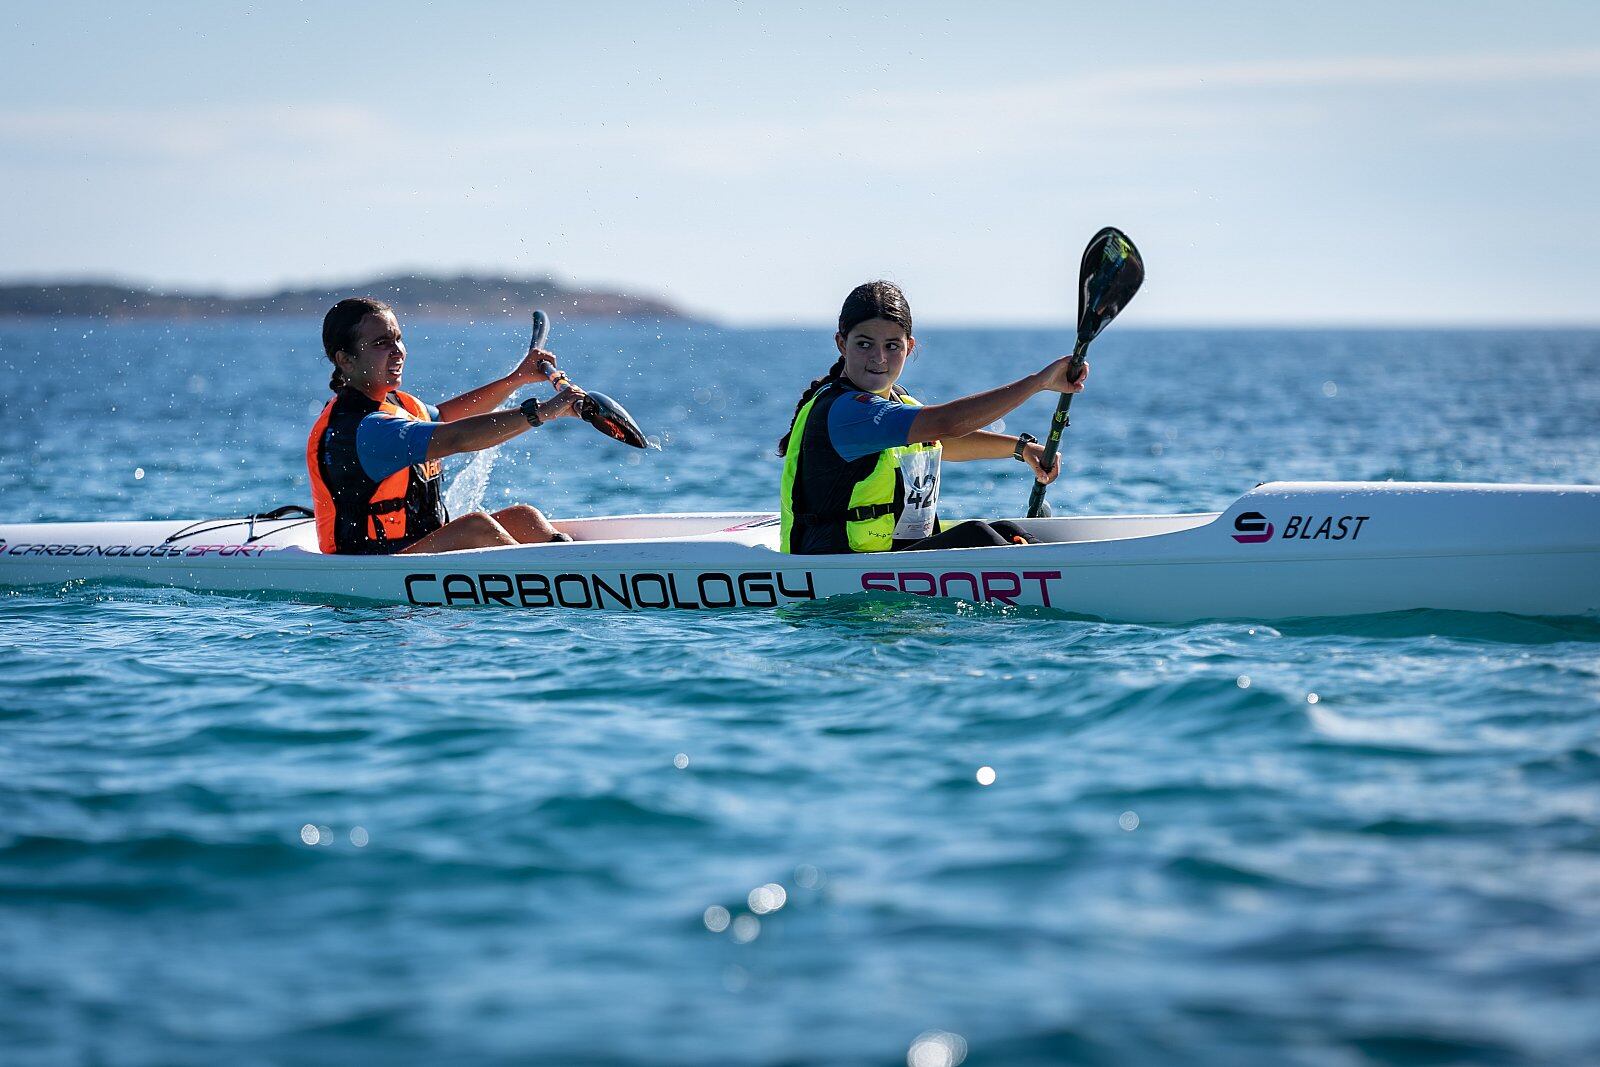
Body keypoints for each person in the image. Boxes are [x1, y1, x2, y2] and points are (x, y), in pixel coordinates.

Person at [778, 280, 1087, 555]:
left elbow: (942, 442)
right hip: (836, 571)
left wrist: (1019, 449)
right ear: (842, 344)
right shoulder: (847, 411)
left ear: (909, 347)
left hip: (891, 561)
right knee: (977, 535)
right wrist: (1038, 383)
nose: (879, 358)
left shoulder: (898, 400)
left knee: (1007, 531)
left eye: (892, 345)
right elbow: (946, 423)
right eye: (864, 344)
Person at [307, 297, 585, 554]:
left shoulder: (398, 404)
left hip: (414, 547)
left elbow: (447, 417)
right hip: (374, 564)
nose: (398, 352)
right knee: (476, 528)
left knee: (525, 517)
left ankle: (572, 571)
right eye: (381, 343)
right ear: (346, 360)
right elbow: (456, 437)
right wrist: (543, 412)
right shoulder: (366, 428)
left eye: (398, 339)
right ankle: (553, 585)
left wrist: (516, 379)